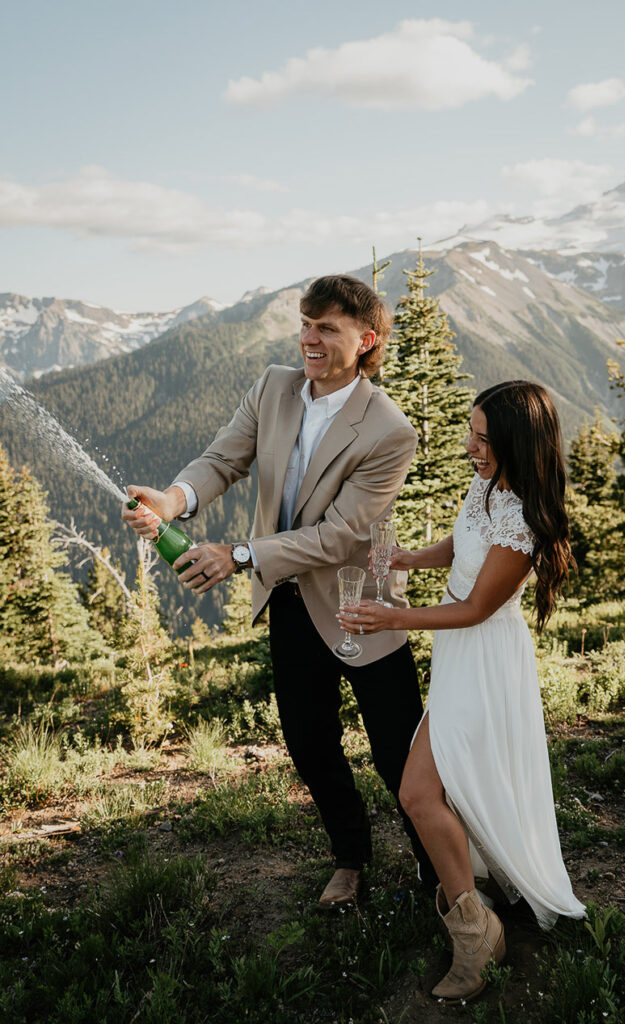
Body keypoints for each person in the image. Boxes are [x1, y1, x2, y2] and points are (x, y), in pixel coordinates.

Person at [122, 274, 437, 908]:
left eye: (327, 329)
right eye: (305, 324)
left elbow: (343, 535)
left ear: (366, 339)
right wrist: (174, 499)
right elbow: (221, 460)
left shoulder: (389, 430)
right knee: (309, 741)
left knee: (397, 752)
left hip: (362, 605)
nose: (309, 340)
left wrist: (239, 555)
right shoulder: (273, 385)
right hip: (289, 602)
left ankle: (441, 871)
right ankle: (350, 858)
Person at [338, 380, 586, 1002]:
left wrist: (393, 617)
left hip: (485, 658)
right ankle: (481, 899)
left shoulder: (525, 517)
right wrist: (406, 560)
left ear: (516, 444)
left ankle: (478, 933)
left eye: (482, 437)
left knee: (419, 792)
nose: (470, 446)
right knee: (449, 783)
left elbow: (477, 607)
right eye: (470, 432)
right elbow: (462, 543)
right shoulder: (488, 485)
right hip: (458, 657)